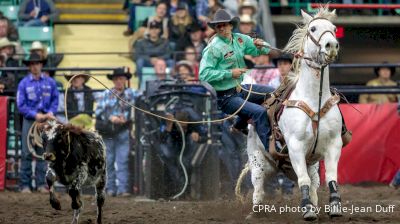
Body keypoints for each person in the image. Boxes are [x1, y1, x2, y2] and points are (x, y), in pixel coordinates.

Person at [199, 9, 275, 151]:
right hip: (226, 97)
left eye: (224, 25)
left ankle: (239, 124)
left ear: (231, 25)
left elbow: (262, 50)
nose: (222, 28)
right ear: (215, 29)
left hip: (241, 88)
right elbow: (203, 75)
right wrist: (229, 73)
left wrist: (261, 45)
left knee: (274, 94)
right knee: (259, 112)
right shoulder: (212, 48)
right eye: (218, 26)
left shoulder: (240, 39)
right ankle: (271, 151)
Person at [17, 53, 59, 193]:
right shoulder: (23, 83)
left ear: (41, 65)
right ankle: (25, 185)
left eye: (37, 63)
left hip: (46, 121)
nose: (35, 66)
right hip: (30, 120)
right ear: (29, 66)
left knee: (43, 152)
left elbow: (55, 100)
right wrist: (36, 115)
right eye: (32, 64)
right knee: (27, 152)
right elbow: (21, 105)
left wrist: (49, 114)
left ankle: (41, 184)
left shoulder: (50, 82)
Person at [95, 67, 139, 197]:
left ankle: (123, 189)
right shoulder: (105, 94)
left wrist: (128, 117)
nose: (119, 81)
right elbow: (98, 112)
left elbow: (141, 103)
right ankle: (110, 188)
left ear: (125, 79)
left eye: (121, 78)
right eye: (116, 79)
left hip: (123, 130)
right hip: (108, 132)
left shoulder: (132, 94)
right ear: (113, 80)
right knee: (108, 160)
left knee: (123, 160)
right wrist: (111, 117)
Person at [133, 20, 172, 87]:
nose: (154, 31)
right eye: (151, 29)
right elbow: (137, 55)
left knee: (171, 62)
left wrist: (158, 59)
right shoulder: (141, 42)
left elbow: (168, 54)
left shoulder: (165, 42)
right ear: (149, 30)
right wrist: (150, 59)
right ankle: (141, 83)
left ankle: (171, 82)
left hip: (162, 62)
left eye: (156, 28)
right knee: (139, 61)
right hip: (147, 62)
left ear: (159, 30)